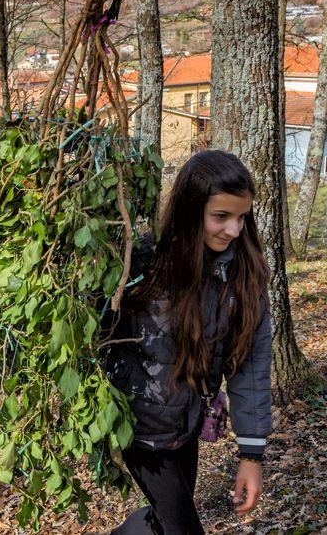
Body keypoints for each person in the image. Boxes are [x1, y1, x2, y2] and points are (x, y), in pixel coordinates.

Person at [105, 150, 272, 535]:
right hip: (141, 432)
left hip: (186, 426)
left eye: (242, 217)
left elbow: (250, 367)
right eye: (221, 217)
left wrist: (251, 455)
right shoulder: (142, 264)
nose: (234, 230)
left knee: (165, 523)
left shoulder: (243, 276)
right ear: (190, 209)